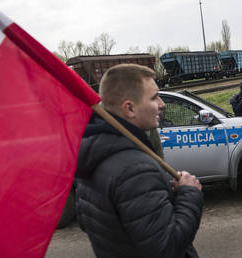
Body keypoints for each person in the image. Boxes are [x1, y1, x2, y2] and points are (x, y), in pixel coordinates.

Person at [75, 64, 203, 258]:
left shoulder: (93, 155)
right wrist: (189, 194)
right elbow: (166, 248)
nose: (162, 104)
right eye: (154, 97)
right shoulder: (137, 169)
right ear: (130, 108)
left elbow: (91, 223)